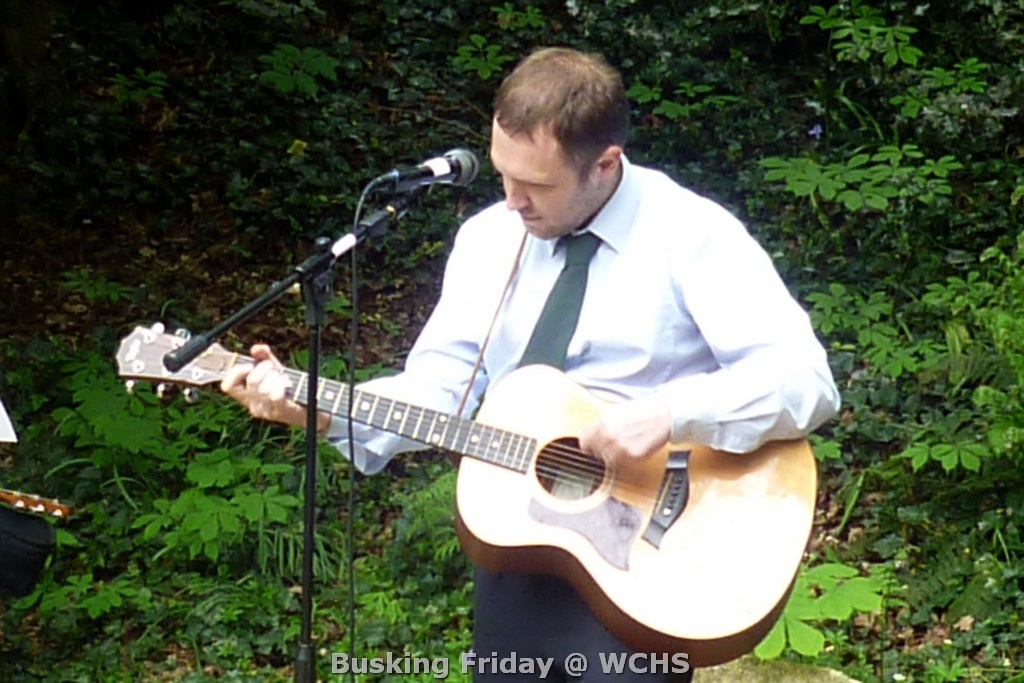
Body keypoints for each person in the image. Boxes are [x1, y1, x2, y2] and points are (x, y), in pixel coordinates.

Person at [222, 47, 840, 681]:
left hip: (655, 553)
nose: (514, 201)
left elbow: (806, 381)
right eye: (502, 176)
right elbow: (441, 390)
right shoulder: (488, 239)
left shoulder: (693, 235)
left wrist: (668, 412)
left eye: (538, 185)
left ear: (605, 163)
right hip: (521, 542)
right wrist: (318, 410)